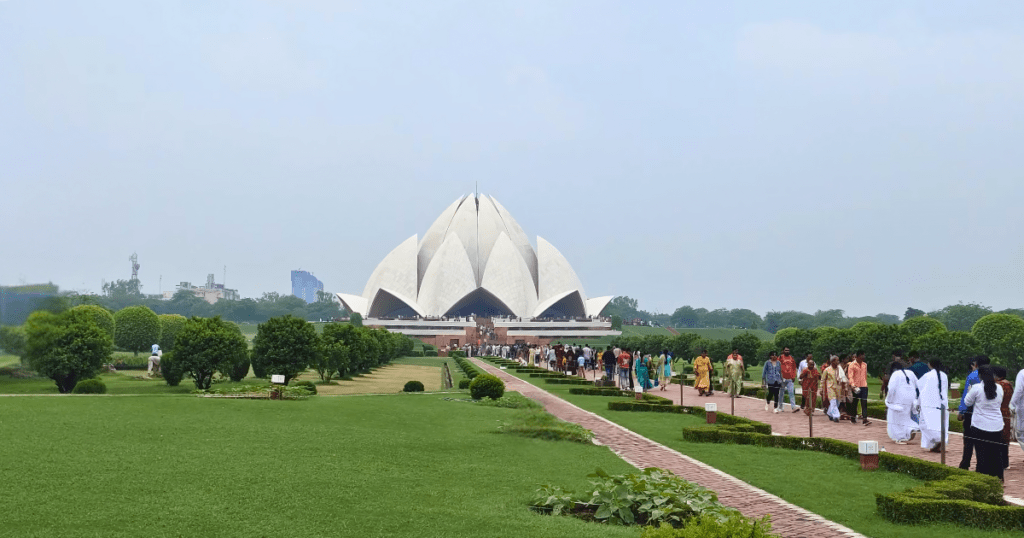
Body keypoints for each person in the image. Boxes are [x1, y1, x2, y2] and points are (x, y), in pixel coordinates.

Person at [963, 365, 1005, 480]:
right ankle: (999, 477)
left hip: (979, 425)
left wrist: (969, 391)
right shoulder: (999, 388)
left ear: (980, 375)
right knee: (996, 453)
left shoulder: (976, 388)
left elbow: (967, 402)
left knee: (981, 453)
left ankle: (982, 477)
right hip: (997, 425)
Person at [958, 355, 991, 470]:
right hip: (988, 412)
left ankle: (965, 463)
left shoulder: (972, 376)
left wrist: (962, 411)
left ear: (976, 364)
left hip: (972, 411)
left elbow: (966, 396)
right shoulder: (992, 375)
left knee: (968, 440)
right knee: (983, 441)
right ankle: (982, 465)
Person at [885, 361, 919, 444]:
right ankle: (911, 428)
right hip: (910, 398)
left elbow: (891, 389)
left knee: (894, 418)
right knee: (905, 417)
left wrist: (889, 400)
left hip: (899, 399)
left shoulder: (895, 374)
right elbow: (918, 384)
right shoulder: (910, 372)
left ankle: (899, 437)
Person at [993, 366, 1013, 470]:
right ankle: (1005, 462)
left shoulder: (1000, 385)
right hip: (1006, 412)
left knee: (999, 437)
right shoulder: (1008, 383)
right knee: (1005, 437)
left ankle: (1000, 462)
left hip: (999, 411)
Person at [847, 351, 871, 425]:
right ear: (858, 356)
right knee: (855, 403)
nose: (864, 357)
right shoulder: (852, 365)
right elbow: (850, 376)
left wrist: (865, 383)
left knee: (864, 402)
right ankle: (853, 418)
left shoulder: (865, 365)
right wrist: (853, 385)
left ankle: (865, 419)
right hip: (856, 386)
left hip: (864, 386)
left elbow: (865, 375)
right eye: (862, 355)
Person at [821, 355, 842, 422]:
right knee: (833, 402)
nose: (838, 362)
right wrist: (822, 388)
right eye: (837, 360)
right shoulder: (827, 370)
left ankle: (830, 413)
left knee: (837, 402)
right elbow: (823, 380)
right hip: (830, 388)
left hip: (838, 388)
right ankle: (836, 416)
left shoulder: (839, 369)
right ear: (833, 361)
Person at [1012, 365, 1024, 454]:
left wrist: (1012, 404)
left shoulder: (1022, 373)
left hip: (1022, 408)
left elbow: (1019, 390)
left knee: (1021, 433)